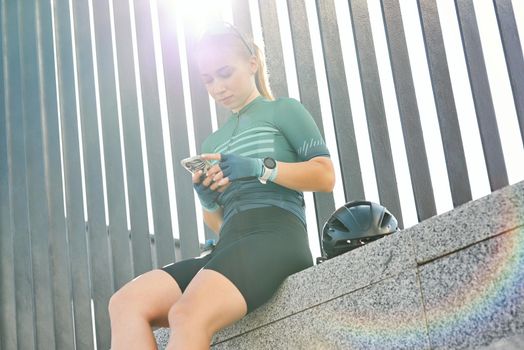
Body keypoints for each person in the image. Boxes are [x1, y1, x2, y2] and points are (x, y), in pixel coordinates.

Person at [108, 22, 335, 350]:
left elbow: (324, 175)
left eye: (225, 73)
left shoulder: (283, 110)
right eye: (208, 79)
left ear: (252, 64)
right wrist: (209, 200)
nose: (218, 87)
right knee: (126, 302)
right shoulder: (213, 140)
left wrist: (260, 168)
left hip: (276, 238)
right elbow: (220, 225)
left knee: (186, 315)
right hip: (231, 245)